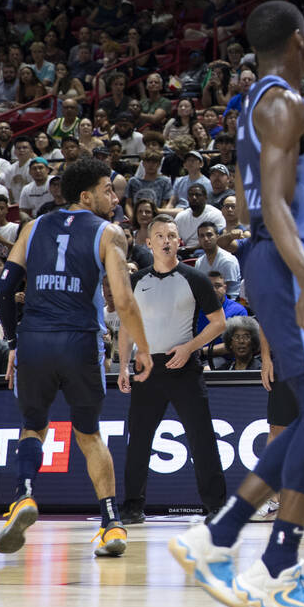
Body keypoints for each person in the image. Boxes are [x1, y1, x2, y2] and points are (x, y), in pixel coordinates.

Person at [169, 1, 304, 607]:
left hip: (279, 259)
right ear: (299, 40)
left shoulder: (258, 107)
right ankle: (268, 560)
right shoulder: (283, 103)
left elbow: (263, 191)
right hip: (295, 262)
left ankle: (234, 542)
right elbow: (275, 206)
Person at [0, 158, 154, 559]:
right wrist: (143, 349)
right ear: (87, 195)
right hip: (80, 342)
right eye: (108, 190)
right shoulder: (109, 232)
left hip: (34, 340)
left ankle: (25, 496)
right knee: (88, 433)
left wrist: (14, 342)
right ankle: (111, 523)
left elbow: (2, 289)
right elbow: (125, 299)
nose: (115, 198)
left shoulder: (31, 228)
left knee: (33, 425)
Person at [116, 215, 227, 524]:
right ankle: (133, 506)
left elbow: (220, 323)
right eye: (160, 235)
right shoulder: (136, 282)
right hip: (146, 368)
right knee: (138, 440)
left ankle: (216, 506)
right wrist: (123, 366)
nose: (167, 240)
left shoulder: (195, 278)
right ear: (148, 243)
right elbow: (125, 328)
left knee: (202, 438)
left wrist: (189, 347)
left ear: (180, 241)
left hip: (184, 367)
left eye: (172, 235)